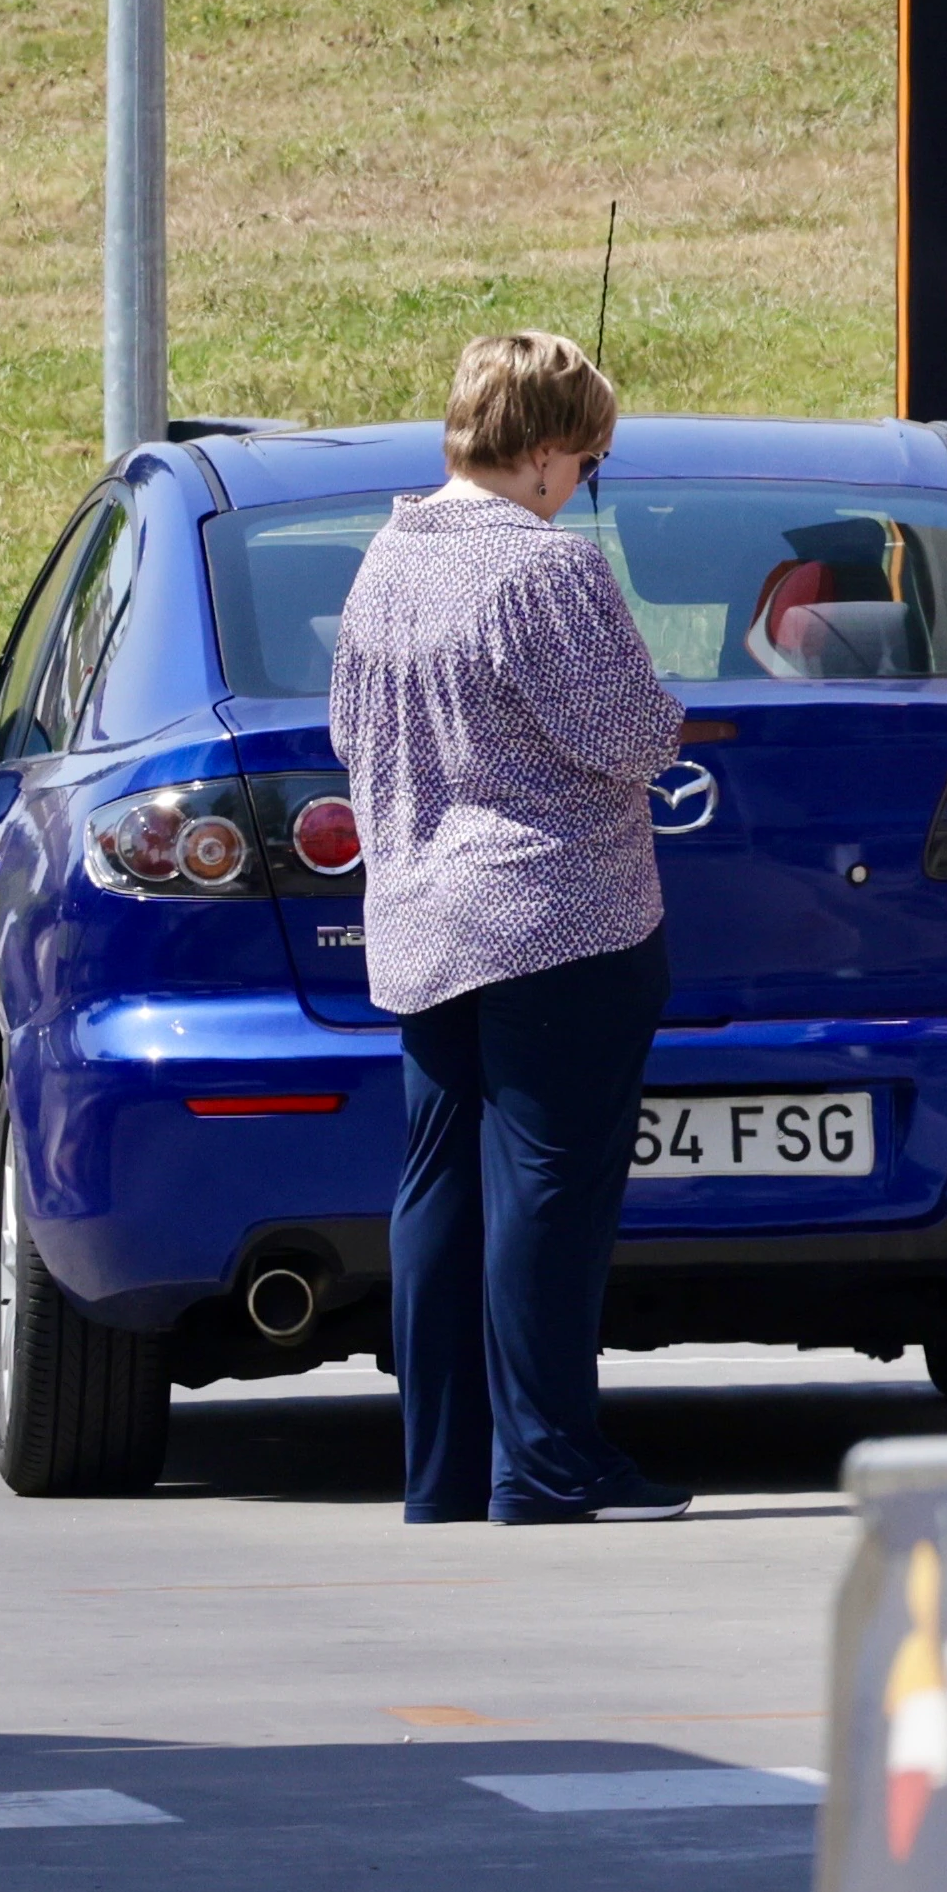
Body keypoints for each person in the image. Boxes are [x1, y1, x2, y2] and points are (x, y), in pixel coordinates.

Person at [331, 330, 695, 1524]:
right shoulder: (546, 571)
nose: (585, 483)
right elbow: (632, 738)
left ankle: (441, 1468)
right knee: (550, 1188)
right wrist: (673, 710)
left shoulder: (386, 555)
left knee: (437, 1185)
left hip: (422, 916)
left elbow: (346, 734)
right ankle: (548, 1459)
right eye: (588, 460)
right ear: (541, 454)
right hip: (558, 915)